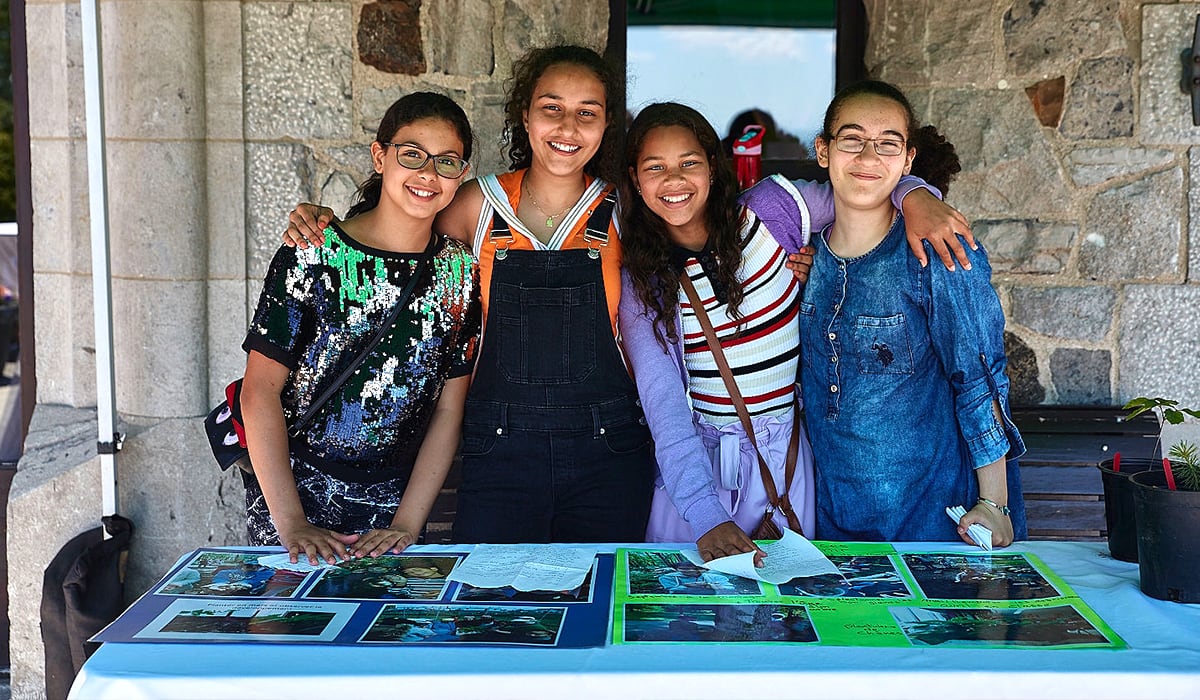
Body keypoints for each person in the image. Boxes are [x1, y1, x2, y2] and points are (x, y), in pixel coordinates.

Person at [282, 46, 654, 543]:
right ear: (525, 116)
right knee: (495, 612)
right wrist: (324, 222)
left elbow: (695, 249)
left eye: (587, 113)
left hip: (608, 453)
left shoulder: (625, 212)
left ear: (607, 124)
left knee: (602, 603)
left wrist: (793, 256)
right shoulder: (477, 204)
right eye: (552, 108)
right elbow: (394, 231)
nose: (568, 127)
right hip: (499, 452)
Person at [618, 103, 968, 561]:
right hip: (696, 473)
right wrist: (705, 514)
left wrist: (917, 195)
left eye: (689, 163)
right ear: (635, 178)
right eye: (655, 167)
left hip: (786, 462)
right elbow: (663, 404)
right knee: (691, 615)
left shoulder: (773, 213)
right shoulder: (642, 279)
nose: (674, 180)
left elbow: (861, 190)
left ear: (713, 167)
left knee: (787, 615)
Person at [773, 79, 1026, 546]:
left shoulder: (938, 253)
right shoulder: (805, 257)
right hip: (832, 524)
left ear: (908, 159)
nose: (869, 158)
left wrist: (994, 504)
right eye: (852, 140)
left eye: (887, 144)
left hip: (938, 523)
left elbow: (980, 376)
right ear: (824, 151)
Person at [240, 91, 482, 564]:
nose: (428, 174)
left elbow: (449, 409)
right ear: (380, 156)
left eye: (447, 162)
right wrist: (292, 525)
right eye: (412, 154)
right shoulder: (313, 251)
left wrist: (407, 523)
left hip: (390, 515)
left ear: (462, 176)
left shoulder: (459, 272)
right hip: (292, 499)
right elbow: (259, 391)